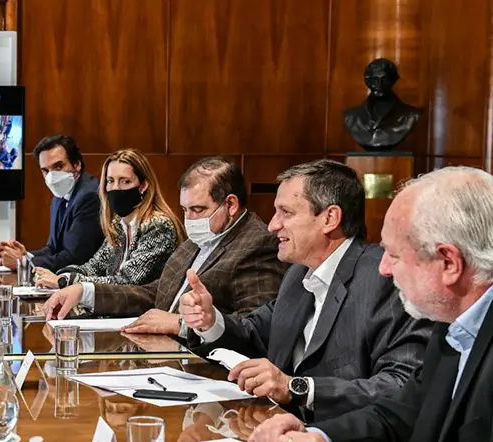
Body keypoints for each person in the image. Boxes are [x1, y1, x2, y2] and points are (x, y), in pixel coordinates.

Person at [248, 167, 493, 442]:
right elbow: (401, 417)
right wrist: (315, 437)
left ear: (449, 263)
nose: (382, 268)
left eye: (393, 255)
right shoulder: (452, 321)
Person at [180, 160, 431, 421]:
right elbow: (254, 333)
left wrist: (299, 389)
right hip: (276, 428)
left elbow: (401, 384)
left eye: (286, 213)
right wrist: (209, 321)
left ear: (329, 218)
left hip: (341, 438)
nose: (272, 225)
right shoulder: (298, 273)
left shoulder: (384, 278)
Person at [43, 157, 286, 330]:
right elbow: (156, 293)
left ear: (230, 205)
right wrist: (85, 291)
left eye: (198, 210)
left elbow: (256, 328)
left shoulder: (256, 244)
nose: (189, 220)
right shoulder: (198, 239)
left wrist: (181, 324)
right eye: (185, 210)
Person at [32, 148, 185, 290]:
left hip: (147, 307)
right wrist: (62, 275)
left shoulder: (158, 226)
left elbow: (126, 281)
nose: (116, 188)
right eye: (110, 181)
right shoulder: (119, 224)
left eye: (125, 181)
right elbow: (94, 266)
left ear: (143, 185)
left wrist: (65, 281)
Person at [0, 134, 103, 272]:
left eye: (58, 166)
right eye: (45, 170)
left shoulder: (89, 196)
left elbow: (75, 258)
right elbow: (53, 248)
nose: (52, 177)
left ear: (77, 165)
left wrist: (21, 262)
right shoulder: (60, 195)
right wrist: (25, 255)